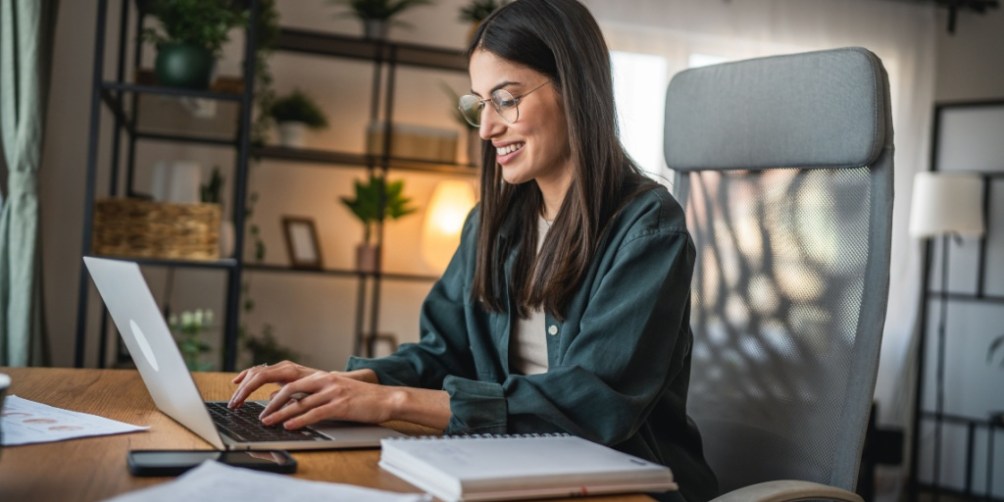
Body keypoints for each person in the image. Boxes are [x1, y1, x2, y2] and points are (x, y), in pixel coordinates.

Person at [228, 1, 718, 500]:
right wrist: (348, 383)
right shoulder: (492, 223)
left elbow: (591, 406)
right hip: (510, 464)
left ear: (575, 88)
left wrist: (390, 400)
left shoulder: (648, 229)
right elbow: (446, 352)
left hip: (623, 485)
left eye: (505, 100)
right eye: (479, 105)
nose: (486, 129)